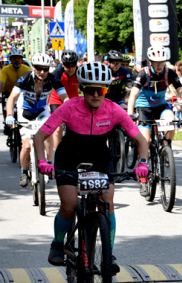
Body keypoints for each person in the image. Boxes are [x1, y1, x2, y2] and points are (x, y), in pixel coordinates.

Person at [33, 62, 149, 271]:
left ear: (107, 90)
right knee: (69, 206)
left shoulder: (114, 110)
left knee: (108, 202)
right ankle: (57, 244)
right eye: (90, 90)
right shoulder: (69, 107)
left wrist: (142, 164)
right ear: (82, 90)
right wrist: (43, 161)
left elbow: (141, 141)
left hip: (99, 158)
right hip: (69, 157)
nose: (96, 95)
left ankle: (108, 256)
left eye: (101, 90)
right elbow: (40, 136)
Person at [128, 45, 182, 195]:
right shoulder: (143, 74)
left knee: (171, 121)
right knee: (144, 139)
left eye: (161, 63)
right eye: (156, 63)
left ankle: (166, 147)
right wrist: (130, 114)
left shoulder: (169, 73)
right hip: (144, 108)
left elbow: (181, 93)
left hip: (161, 106)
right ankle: (143, 179)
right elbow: (133, 95)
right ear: (150, 62)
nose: (159, 66)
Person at [6, 53, 68, 188]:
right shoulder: (25, 78)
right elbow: (12, 98)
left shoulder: (52, 79)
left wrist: (69, 111)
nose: (42, 72)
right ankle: (23, 171)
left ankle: (50, 164)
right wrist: (10, 115)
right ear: (33, 67)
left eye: (45, 69)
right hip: (25, 113)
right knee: (27, 145)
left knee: (49, 134)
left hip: (42, 112)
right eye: (39, 68)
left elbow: (65, 97)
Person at [48, 50, 81, 153]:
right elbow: (47, 89)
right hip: (57, 101)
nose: (70, 69)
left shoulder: (80, 73)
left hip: (73, 101)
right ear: (62, 64)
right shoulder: (57, 73)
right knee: (58, 128)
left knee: (76, 127)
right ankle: (58, 153)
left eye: (73, 66)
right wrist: (46, 104)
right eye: (67, 66)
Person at [0, 47, 30, 124]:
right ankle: (6, 122)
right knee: (5, 107)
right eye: (14, 59)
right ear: (10, 60)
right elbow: (1, 83)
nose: (16, 61)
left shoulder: (27, 69)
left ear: (21, 60)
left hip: (22, 93)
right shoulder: (5, 69)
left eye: (18, 59)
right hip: (7, 92)